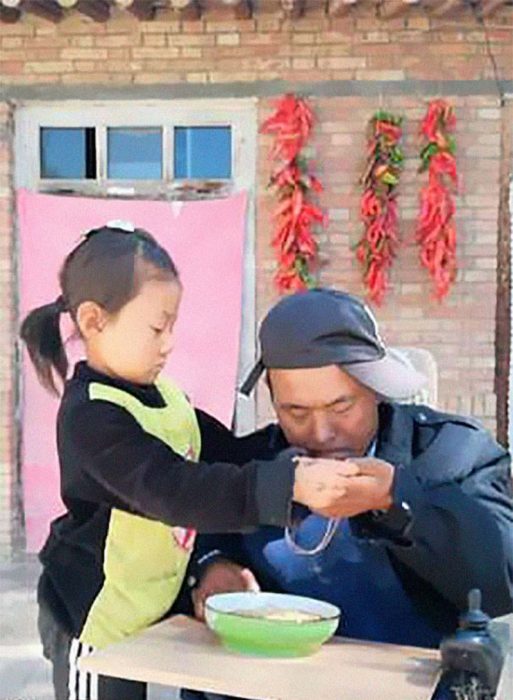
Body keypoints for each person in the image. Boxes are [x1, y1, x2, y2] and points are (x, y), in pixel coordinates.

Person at [20, 226, 353, 700]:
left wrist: (299, 448)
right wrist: (286, 484)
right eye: (157, 327)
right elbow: (175, 490)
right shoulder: (90, 416)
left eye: (173, 326)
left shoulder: (167, 398)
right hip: (94, 618)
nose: (169, 343)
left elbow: (228, 454)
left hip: (146, 604)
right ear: (94, 321)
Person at [184, 288, 513, 700]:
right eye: (295, 412)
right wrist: (216, 567)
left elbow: (501, 577)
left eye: (342, 407)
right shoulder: (252, 464)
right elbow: (207, 538)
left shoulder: (449, 452)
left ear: (374, 388)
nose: (321, 434)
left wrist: (397, 500)